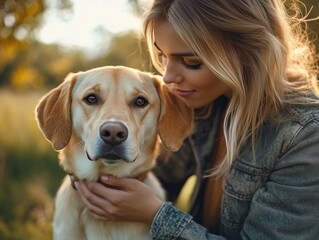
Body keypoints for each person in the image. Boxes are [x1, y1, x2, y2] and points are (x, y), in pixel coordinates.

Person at [74, 0, 319, 239]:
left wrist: (156, 215)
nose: (168, 77)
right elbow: (161, 174)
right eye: (163, 57)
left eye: (191, 62)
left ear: (247, 53)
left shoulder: (306, 136)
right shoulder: (204, 103)